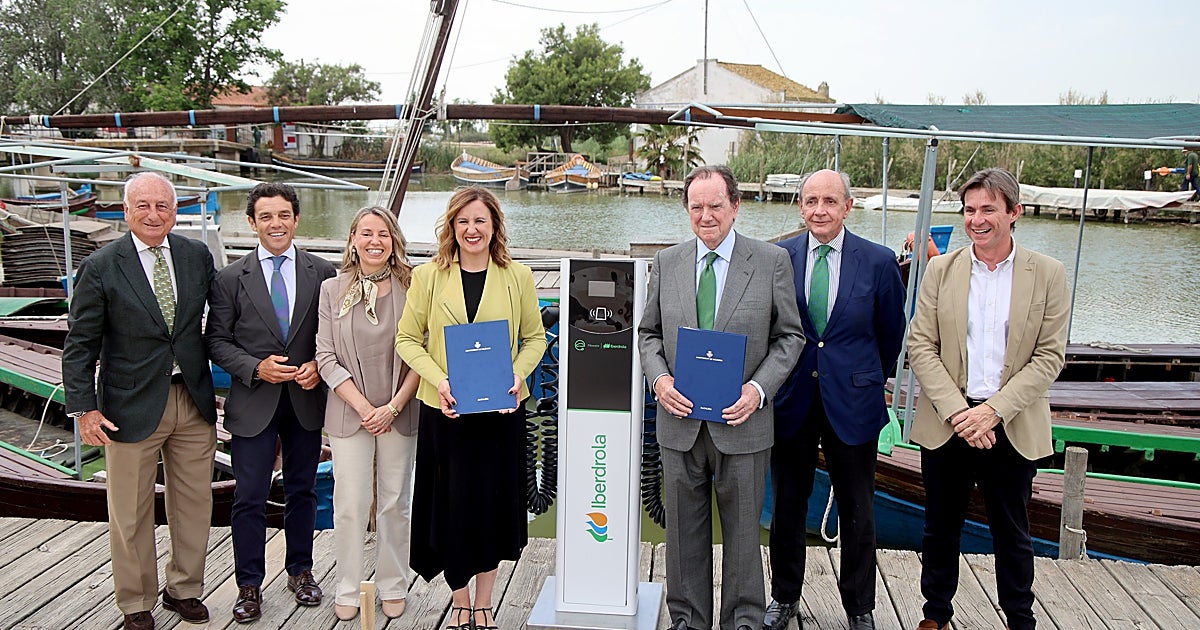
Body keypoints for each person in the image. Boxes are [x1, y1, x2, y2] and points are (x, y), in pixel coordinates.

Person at [638, 165, 804, 630]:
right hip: (679, 421)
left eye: (715, 206)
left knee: (743, 532)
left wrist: (758, 390)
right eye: (696, 207)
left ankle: (744, 619)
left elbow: (790, 337)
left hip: (744, 422)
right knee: (682, 534)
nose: (706, 216)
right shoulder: (667, 262)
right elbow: (648, 335)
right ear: (686, 209)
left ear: (735, 206)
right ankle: (687, 618)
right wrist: (660, 381)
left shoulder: (771, 261)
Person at [907, 168, 1070, 630]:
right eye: (970, 210)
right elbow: (920, 345)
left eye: (988, 210)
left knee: (1012, 532)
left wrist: (992, 412)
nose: (977, 220)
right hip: (949, 422)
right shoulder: (941, 269)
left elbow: (1048, 357)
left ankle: (1020, 619)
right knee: (939, 528)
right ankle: (935, 615)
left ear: (1014, 213)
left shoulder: (1048, 274)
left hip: (1010, 424)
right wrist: (961, 413)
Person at [62, 172, 218, 630]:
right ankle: (136, 601)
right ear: (126, 211)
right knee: (130, 512)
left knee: (193, 505)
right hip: (127, 407)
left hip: (192, 399)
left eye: (163, 206)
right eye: (143, 205)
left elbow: (225, 317)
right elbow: (80, 344)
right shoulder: (103, 265)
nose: (154, 214)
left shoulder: (195, 256)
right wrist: (84, 408)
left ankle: (183, 589)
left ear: (175, 211)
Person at [395, 186, 547, 630]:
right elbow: (407, 340)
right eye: (463, 221)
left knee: (491, 508)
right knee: (451, 507)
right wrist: (439, 380)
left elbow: (535, 339)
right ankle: (458, 599)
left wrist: (519, 376)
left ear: (494, 225)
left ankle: (484, 602)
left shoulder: (517, 276)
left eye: (480, 220)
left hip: (500, 415)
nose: (471, 229)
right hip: (447, 414)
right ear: (451, 227)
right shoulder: (428, 277)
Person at [766, 170, 906, 630]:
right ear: (800, 206)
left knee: (857, 507)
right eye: (810, 201)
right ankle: (784, 597)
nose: (819, 210)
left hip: (855, 399)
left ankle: (859, 606)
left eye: (829, 201)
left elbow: (891, 336)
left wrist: (863, 377)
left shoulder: (880, 262)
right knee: (788, 503)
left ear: (847, 206)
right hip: (793, 398)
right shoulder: (779, 258)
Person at [205, 182, 336, 623]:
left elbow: (334, 336)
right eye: (266, 216)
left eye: (283, 215)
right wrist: (255, 367)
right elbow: (216, 342)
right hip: (253, 401)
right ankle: (248, 585)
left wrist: (320, 363)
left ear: (296, 220)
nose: (275, 224)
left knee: (301, 491)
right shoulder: (228, 278)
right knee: (250, 497)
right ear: (252, 223)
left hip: (305, 400)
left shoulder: (324, 273)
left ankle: (301, 571)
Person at [315, 207, 421, 622]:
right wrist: (363, 407)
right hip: (349, 412)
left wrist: (392, 407)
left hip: (400, 407)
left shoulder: (413, 286)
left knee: (395, 502)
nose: (375, 241)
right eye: (366, 233)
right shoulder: (330, 289)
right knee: (350, 503)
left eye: (383, 234)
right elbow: (324, 356)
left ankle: (394, 583)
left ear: (394, 240)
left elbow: (422, 353)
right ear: (353, 239)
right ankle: (348, 585)